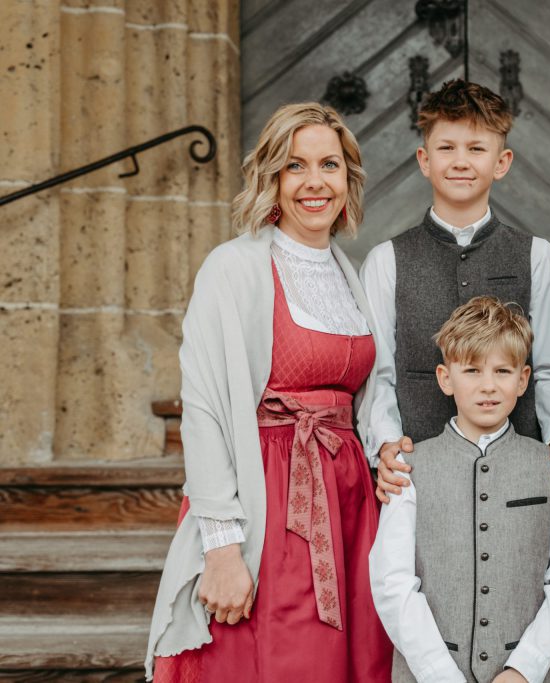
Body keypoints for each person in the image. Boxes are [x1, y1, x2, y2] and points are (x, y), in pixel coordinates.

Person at [145, 102, 392, 682]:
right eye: (294, 166)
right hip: (272, 500)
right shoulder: (232, 268)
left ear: (347, 178)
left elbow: (368, 391)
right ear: (272, 179)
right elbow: (204, 411)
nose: (314, 182)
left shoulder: (346, 270)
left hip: (348, 498)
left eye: (329, 164)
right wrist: (223, 549)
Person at [360, 79, 550, 503]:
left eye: (476, 149)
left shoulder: (536, 256)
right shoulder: (385, 260)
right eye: (446, 148)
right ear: (424, 160)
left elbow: (548, 368)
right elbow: (381, 377)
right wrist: (387, 446)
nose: (460, 161)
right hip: (417, 477)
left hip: (518, 478)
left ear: (501, 162)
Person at [369, 296, 550, 683]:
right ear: (445, 378)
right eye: (471, 370)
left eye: (503, 371)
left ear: (523, 380)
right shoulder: (408, 469)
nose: (488, 386)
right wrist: (440, 674)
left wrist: (524, 669)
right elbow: (393, 583)